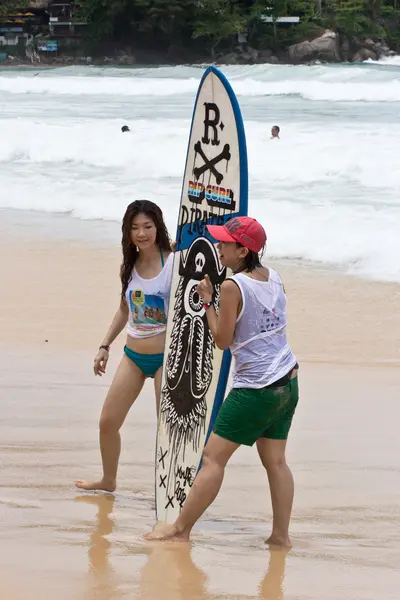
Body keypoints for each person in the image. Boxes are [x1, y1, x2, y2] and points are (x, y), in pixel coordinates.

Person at [144, 216, 299, 547]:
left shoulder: (232, 286)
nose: (218, 246)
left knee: (214, 458)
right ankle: (280, 537)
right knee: (276, 462)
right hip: (288, 383)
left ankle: (180, 530)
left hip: (255, 389)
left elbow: (221, 339)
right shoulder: (274, 278)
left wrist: (209, 300)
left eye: (225, 242)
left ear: (242, 251)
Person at [75, 200, 174, 493]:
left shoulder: (174, 263)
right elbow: (124, 309)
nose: (141, 233)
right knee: (107, 422)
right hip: (133, 356)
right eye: (135, 228)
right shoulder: (128, 266)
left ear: (158, 227)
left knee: (166, 431)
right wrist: (105, 345)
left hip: (165, 359)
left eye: (147, 226)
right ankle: (109, 480)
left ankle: (169, 492)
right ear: (127, 232)